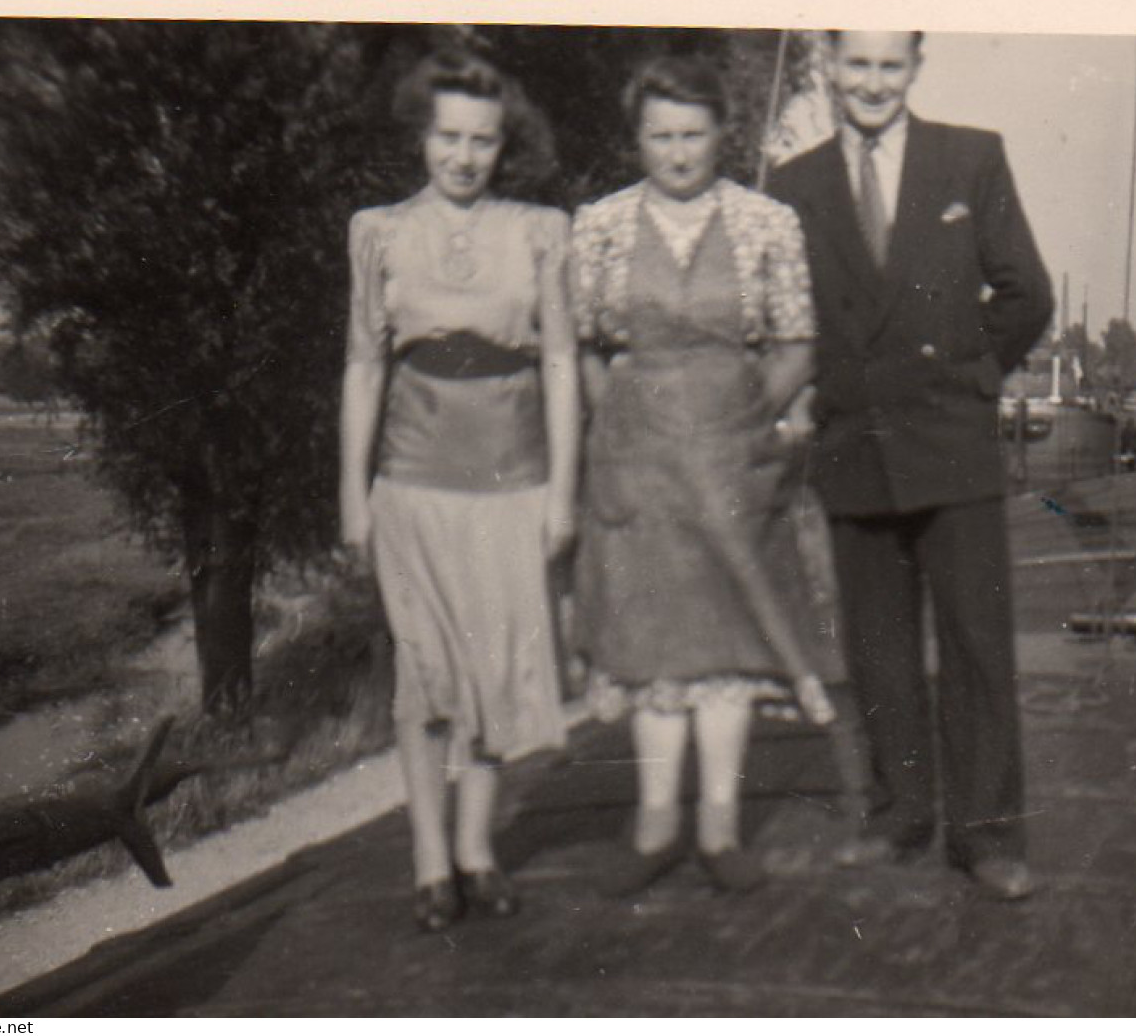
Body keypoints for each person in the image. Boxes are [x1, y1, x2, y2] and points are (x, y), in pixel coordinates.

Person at [767, 31, 1054, 900]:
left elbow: (1026, 293)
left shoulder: (970, 158)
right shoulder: (794, 183)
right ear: (828, 69)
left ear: (916, 70)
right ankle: (899, 815)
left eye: (891, 66)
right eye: (856, 65)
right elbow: (788, 317)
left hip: (950, 443)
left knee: (975, 642)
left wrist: (968, 379)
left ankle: (987, 836)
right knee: (877, 644)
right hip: (855, 443)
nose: (872, 83)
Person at [570, 54, 839, 896]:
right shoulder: (601, 224)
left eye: (692, 135)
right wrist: (616, 422)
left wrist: (744, 413)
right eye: (660, 136)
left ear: (722, 134)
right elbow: (581, 343)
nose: (677, 152)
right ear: (636, 138)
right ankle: (655, 821)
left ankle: (719, 824)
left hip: (733, 457)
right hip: (637, 464)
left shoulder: (766, 223)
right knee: (654, 648)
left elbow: (797, 342)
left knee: (725, 642)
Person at [338, 49, 578, 933]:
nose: (465, 156)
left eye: (482, 140)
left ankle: (477, 850)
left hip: (514, 485)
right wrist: (350, 495)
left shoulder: (542, 230)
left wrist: (562, 491)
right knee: (426, 675)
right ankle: (429, 861)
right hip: (411, 484)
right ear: (422, 135)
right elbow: (363, 365)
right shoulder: (379, 232)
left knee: (492, 675)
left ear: (501, 144)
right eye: (449, 137)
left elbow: (558, 360)